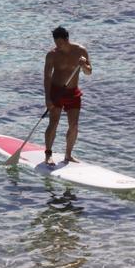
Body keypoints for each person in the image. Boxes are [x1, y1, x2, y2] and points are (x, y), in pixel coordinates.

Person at [43, 26, 92, 165]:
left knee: (74, 125)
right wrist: (47, 98)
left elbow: (89, 73)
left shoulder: (80, 51)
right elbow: (47, 77)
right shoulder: (52, 55)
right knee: (54, 123)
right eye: (55, 43)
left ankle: (68, 155)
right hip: (56, 91)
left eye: (60, 43)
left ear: (66, 39)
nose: (57, 46)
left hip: (73, 92)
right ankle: (48, 154)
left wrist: (83, 65)